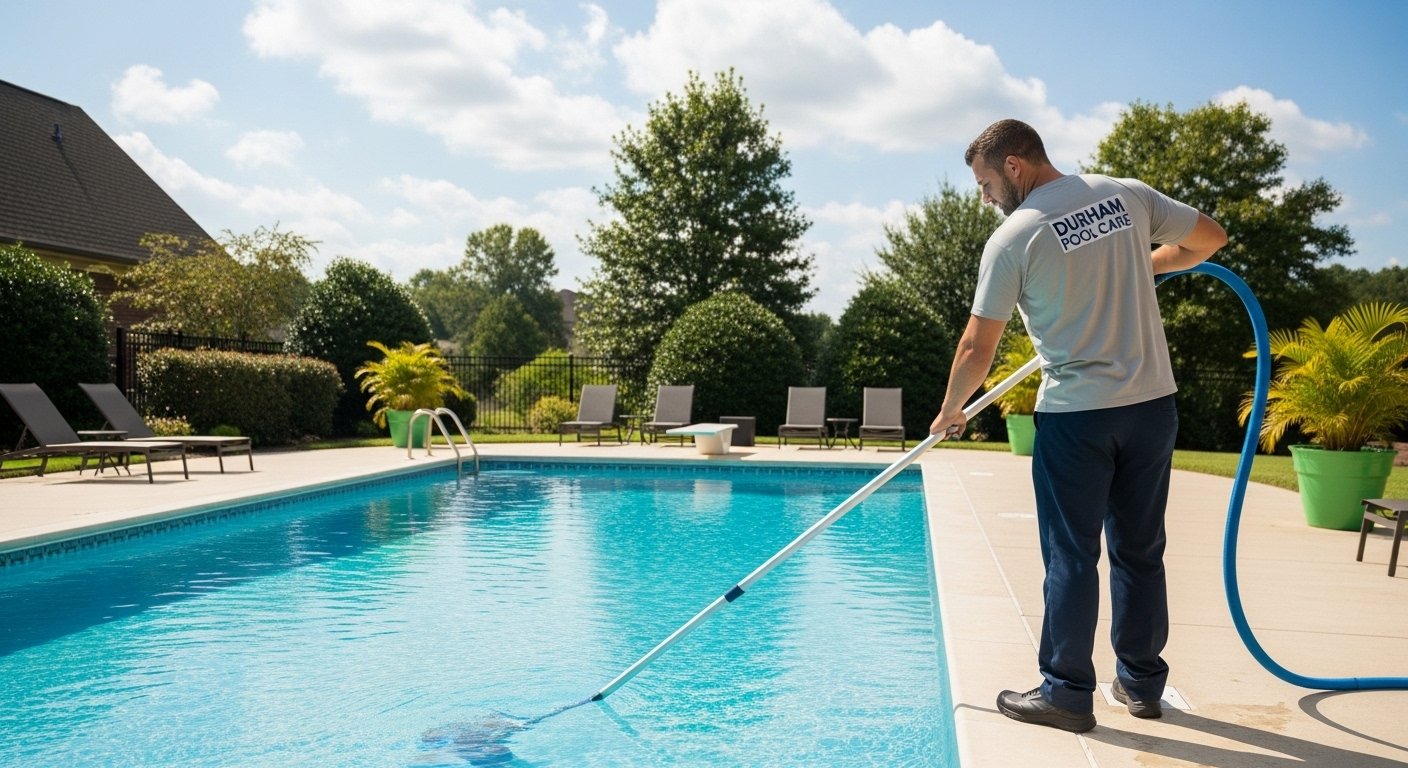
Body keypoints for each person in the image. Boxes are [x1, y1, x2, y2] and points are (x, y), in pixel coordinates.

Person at [929, 119, 1227, 733]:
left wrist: (952, 407)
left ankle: (1066, 691)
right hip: (1152, 407)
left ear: (1014, 167)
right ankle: (1142, 685)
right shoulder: (1127, 194)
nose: (985, 198)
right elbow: (1210, 239)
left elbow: (975, 349)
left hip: (1078, 416)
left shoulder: (1016, 236)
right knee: (1140, 549)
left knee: (1071, 555)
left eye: (986, 183)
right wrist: (1146, 266)